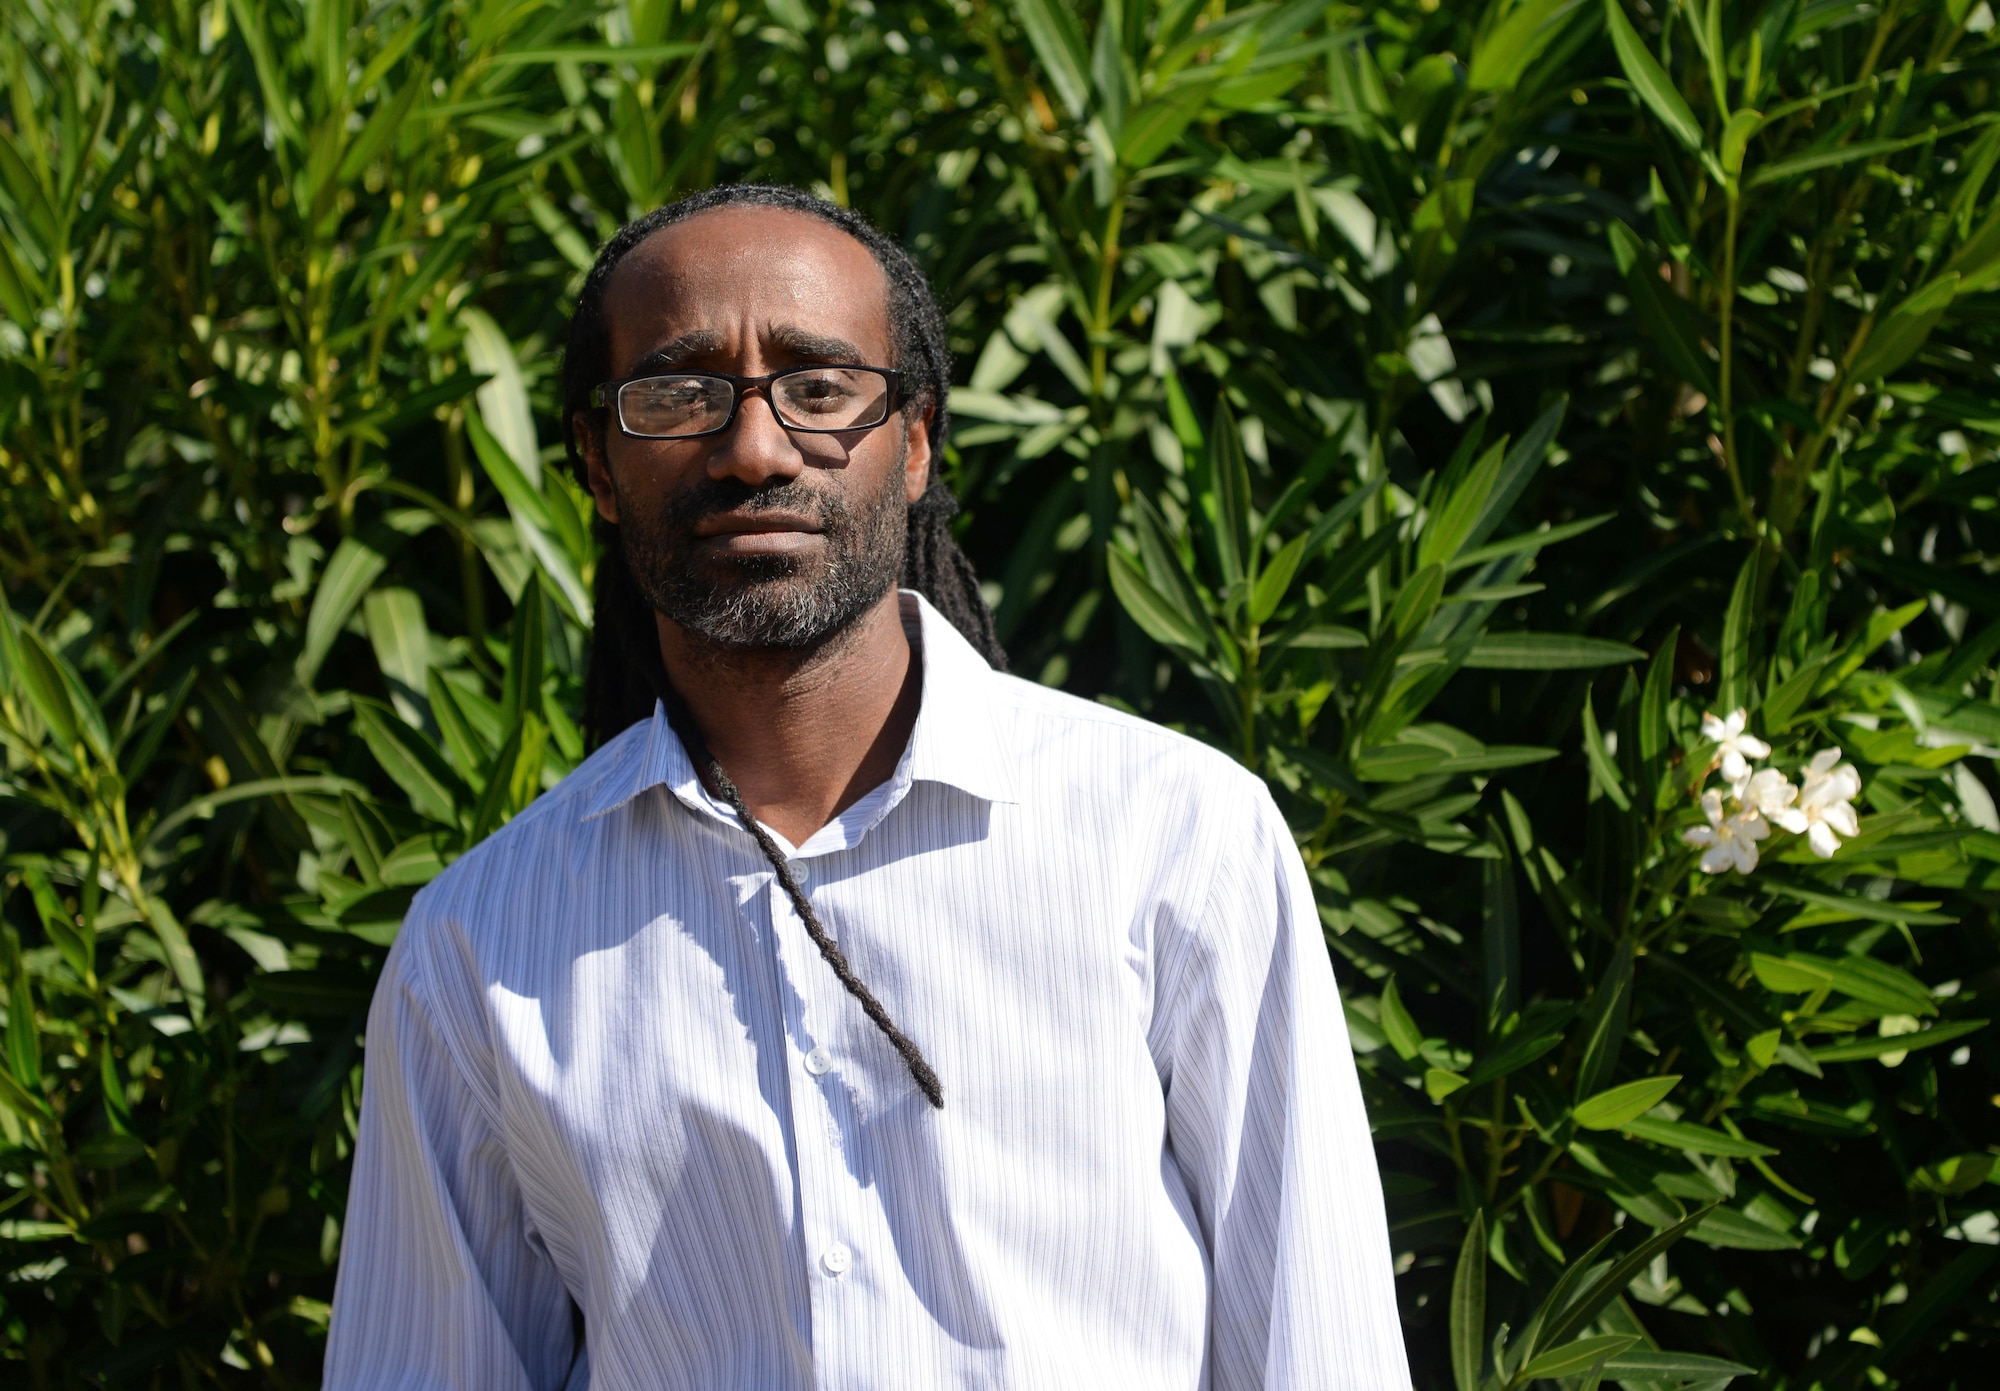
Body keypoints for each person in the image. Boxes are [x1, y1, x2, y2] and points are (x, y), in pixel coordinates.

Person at [323, 184, 1409, 1390]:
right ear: (594, 460)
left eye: (820, 385)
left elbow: (1319, 1345)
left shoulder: (1170, 835)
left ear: (916, 444)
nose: (752, 444)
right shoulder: (479, 945)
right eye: (678, 393)